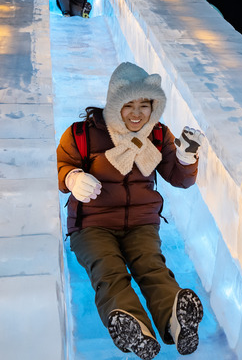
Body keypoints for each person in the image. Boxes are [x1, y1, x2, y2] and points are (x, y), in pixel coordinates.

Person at [56, 62, 205, 360]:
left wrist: (187, 158)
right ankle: (134, 327)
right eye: (128, 105)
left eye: (144, 105)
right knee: (107, 270)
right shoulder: (81, 134)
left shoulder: (158, 135)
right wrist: (72, 178)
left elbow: (178, 177)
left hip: (141, 223)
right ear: (114, 103)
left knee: (151, 266)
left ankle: (177, 320)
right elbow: (61, 165)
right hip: (92, 224)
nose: (137, 114)